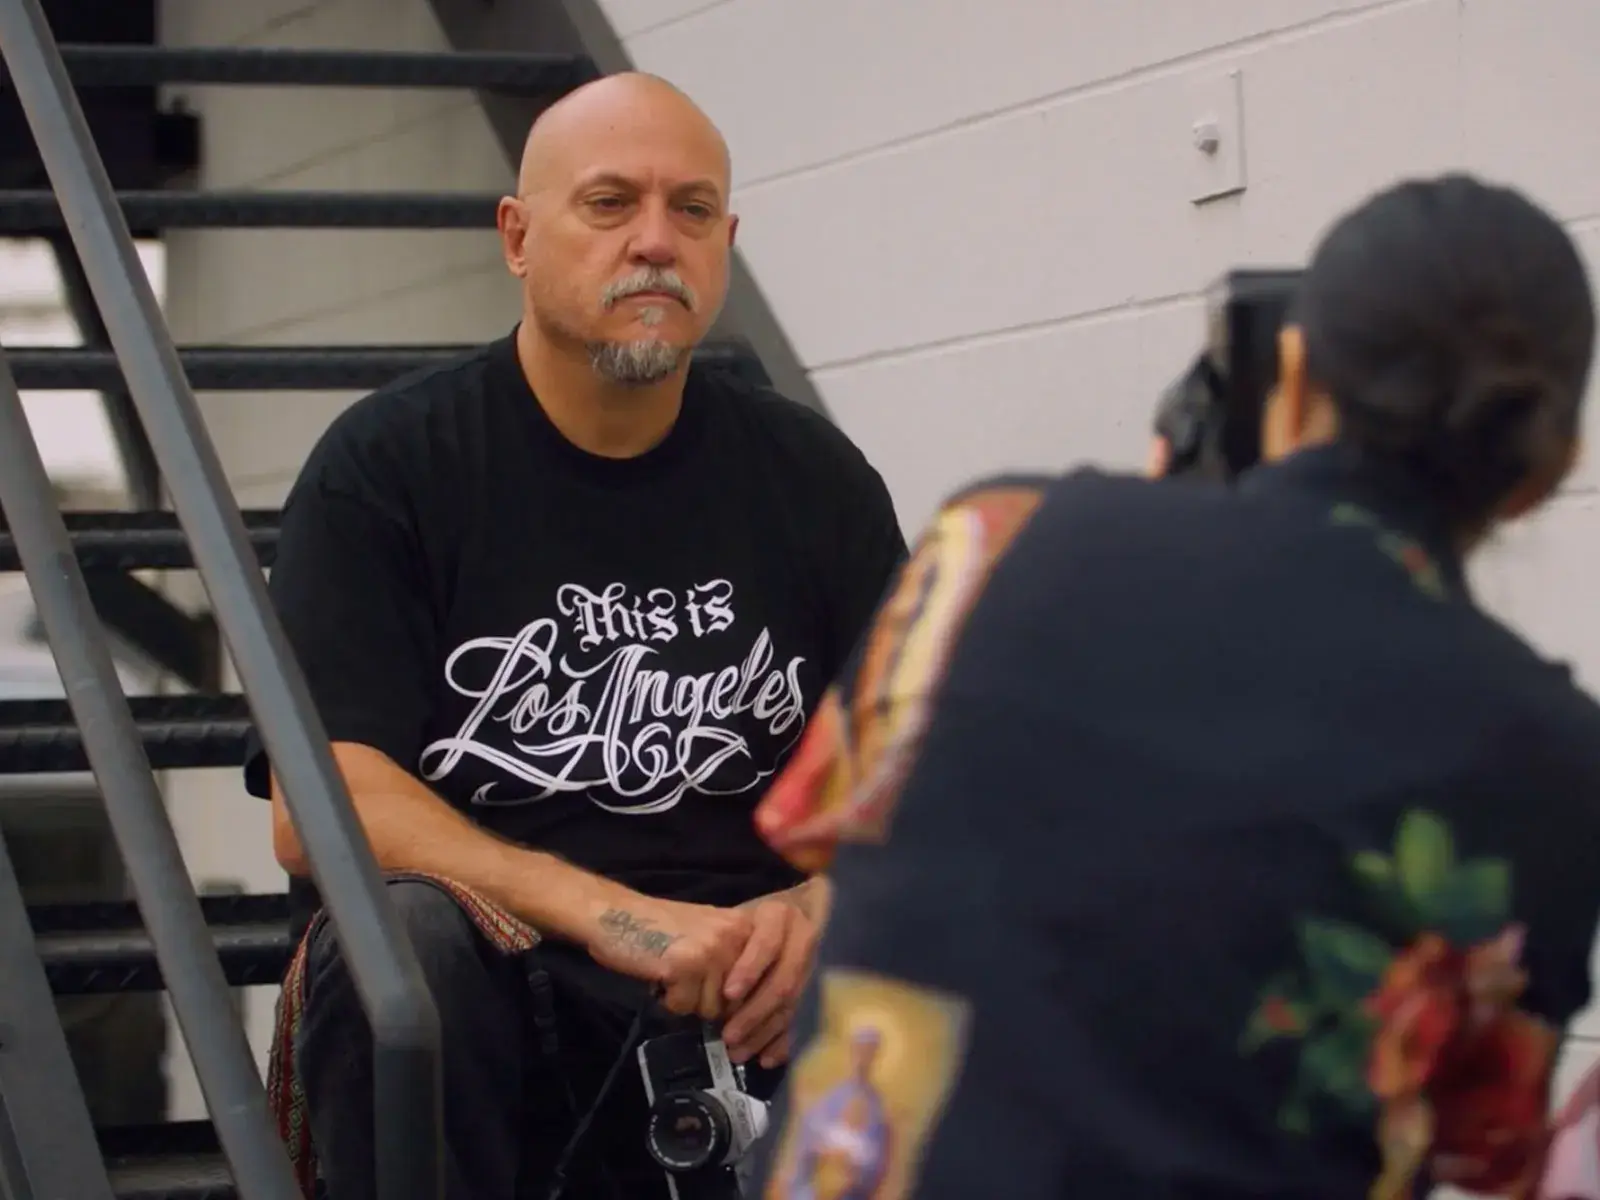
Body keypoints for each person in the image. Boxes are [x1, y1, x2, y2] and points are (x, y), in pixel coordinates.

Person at [749, 174, 1600, 1199]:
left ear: (1292, 373)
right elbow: (1484, 1141)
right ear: (1548, 470)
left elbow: (821, 820)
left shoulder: (994, 539)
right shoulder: (1548, 757)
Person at [245, 72, 905, 1199]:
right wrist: (624, 921)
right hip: (503, 986)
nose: (655, 241)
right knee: (400, 941)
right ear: (517, 236)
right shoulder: (388, 469)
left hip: (756, 993)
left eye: (692, 210)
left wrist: (816, 910)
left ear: (726, 242)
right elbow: (322, 809)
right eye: (609, 203)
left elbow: (919, 772)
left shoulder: (814, 480)